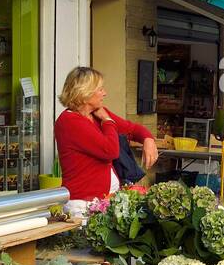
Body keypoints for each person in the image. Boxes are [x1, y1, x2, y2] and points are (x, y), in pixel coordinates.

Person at [54, 66, 157, 218]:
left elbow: (132, 129)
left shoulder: (97, 114)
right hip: (83, 204)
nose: (105, 93)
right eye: (100, 89)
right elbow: (110, 151)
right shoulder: (70, 121)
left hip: (106, 200)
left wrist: (148, 139)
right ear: (85, 93)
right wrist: (108, 121)